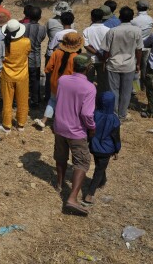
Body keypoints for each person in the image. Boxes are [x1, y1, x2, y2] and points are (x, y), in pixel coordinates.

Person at [53, 55, 96, 216]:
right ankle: (72, 198)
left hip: (59, 125)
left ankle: (59, 183)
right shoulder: (89, 88)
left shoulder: (63, 80)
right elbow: (86, 113)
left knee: (61, 156)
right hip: (76, 130)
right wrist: (92, 127)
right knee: (82, 161)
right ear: (88, 68)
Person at [34, 32, 83, 130]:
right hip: (69, 86)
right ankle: (60, 125)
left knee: (52, 101)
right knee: (65, 105)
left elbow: (48, 69)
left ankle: (43, 121)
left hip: (55, 83)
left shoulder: (56, 53)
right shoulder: (76, 57)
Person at [101, 6, 143, 120]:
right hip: (129, 66)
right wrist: (138, 64)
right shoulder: (137, 31)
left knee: (113, 90)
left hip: (113, 65)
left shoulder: (112, 31)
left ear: (119, 17)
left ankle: (114, 114)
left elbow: (106, 50)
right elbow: (139, 50)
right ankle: (122, 113)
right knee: (126, 91)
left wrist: (104, 62)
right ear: (132, 18)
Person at [82, 91, 121, 206]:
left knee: (100, 165)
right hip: (107, 149)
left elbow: (89, 129)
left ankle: (102, 182)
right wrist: (117, 149)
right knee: (99, 170)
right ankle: (89, 194)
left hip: (94, 147)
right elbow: (116, 137)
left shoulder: (94, 114)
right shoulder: (114, 119)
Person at [0, 19, 31, 134]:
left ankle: (7, 126)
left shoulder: (4, 42)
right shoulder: (26, 42)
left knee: (7, 101)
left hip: (7, 75)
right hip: (22, 75)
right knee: (22, 100)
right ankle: (20, 124)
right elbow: (28, 53)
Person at [24, 7, 47, 108]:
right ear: (40, 17)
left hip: (24, 58)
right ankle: (35, 101)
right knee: (35, 80)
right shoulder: (42, 29)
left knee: (23, 80)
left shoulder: (23, 27)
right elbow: (41, 39)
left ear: (28, 16)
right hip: (36, 59)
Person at [83, 8, 110, 91]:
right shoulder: (108, 30)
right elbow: (109, 46)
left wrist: (97, 53)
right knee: (102, 82)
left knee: (88, 82)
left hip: (91, 60)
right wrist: (102, 56)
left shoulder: (87, 30)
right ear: (102, 17)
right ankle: (100, 99)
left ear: (92, 18)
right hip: (104, 60)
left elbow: (86, 45)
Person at [132, 0, 153, 90]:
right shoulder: (150, 19)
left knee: (135, 68)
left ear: (137, 8)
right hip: (146, 47)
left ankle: (136, 88)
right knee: (145, 68)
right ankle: (144, 86)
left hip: (136, 47)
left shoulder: (133, 20)